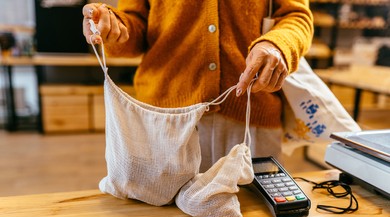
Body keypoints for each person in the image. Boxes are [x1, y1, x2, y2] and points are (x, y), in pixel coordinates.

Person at [82, 0, 313, 172]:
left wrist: (278, 45)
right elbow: (138, 23)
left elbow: (296, 15)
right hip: (165, 120)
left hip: (251, 118)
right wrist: (115, 28)